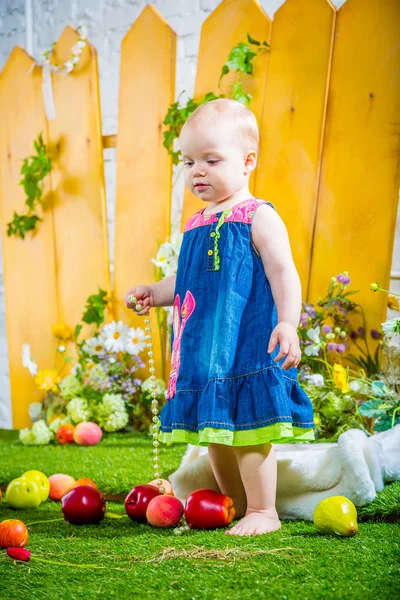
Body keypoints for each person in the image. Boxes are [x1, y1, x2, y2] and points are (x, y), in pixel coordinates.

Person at [124, 98, 315, 536]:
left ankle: (264, 511)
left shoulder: (258, 216)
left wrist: (288, 322)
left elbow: (284, 271)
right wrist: (155, 293)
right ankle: (234, 504)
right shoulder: (194, 224)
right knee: (216, 434)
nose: (198, 171)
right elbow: (188, 279)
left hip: (246, 345)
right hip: (204, 352)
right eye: (189, 161)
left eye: (211, 159)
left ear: (248, 162)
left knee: (248, 432)